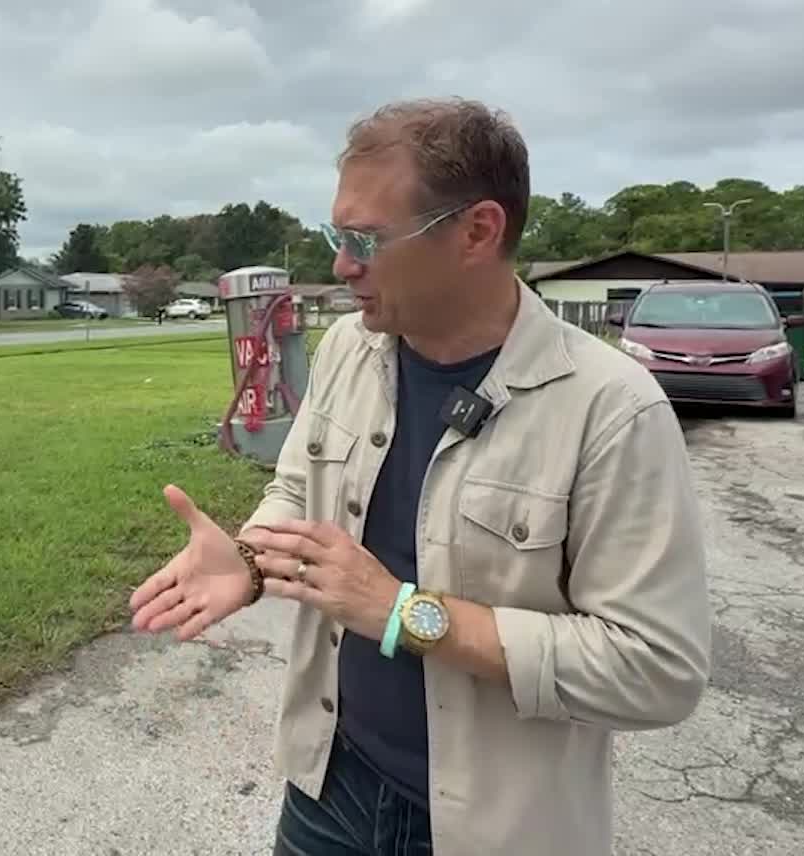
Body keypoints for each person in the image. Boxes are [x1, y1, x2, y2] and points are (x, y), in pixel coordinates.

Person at [130, 97, 712, 855]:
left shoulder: (611, 408)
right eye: (335, 235)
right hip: (329, 787)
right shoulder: (348, 347)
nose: (341, 265)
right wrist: (250, 557)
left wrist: (406, 614)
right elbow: (297, 492)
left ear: (477, 232)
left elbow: (656, 670)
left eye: (366, 239)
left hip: (495, 827)